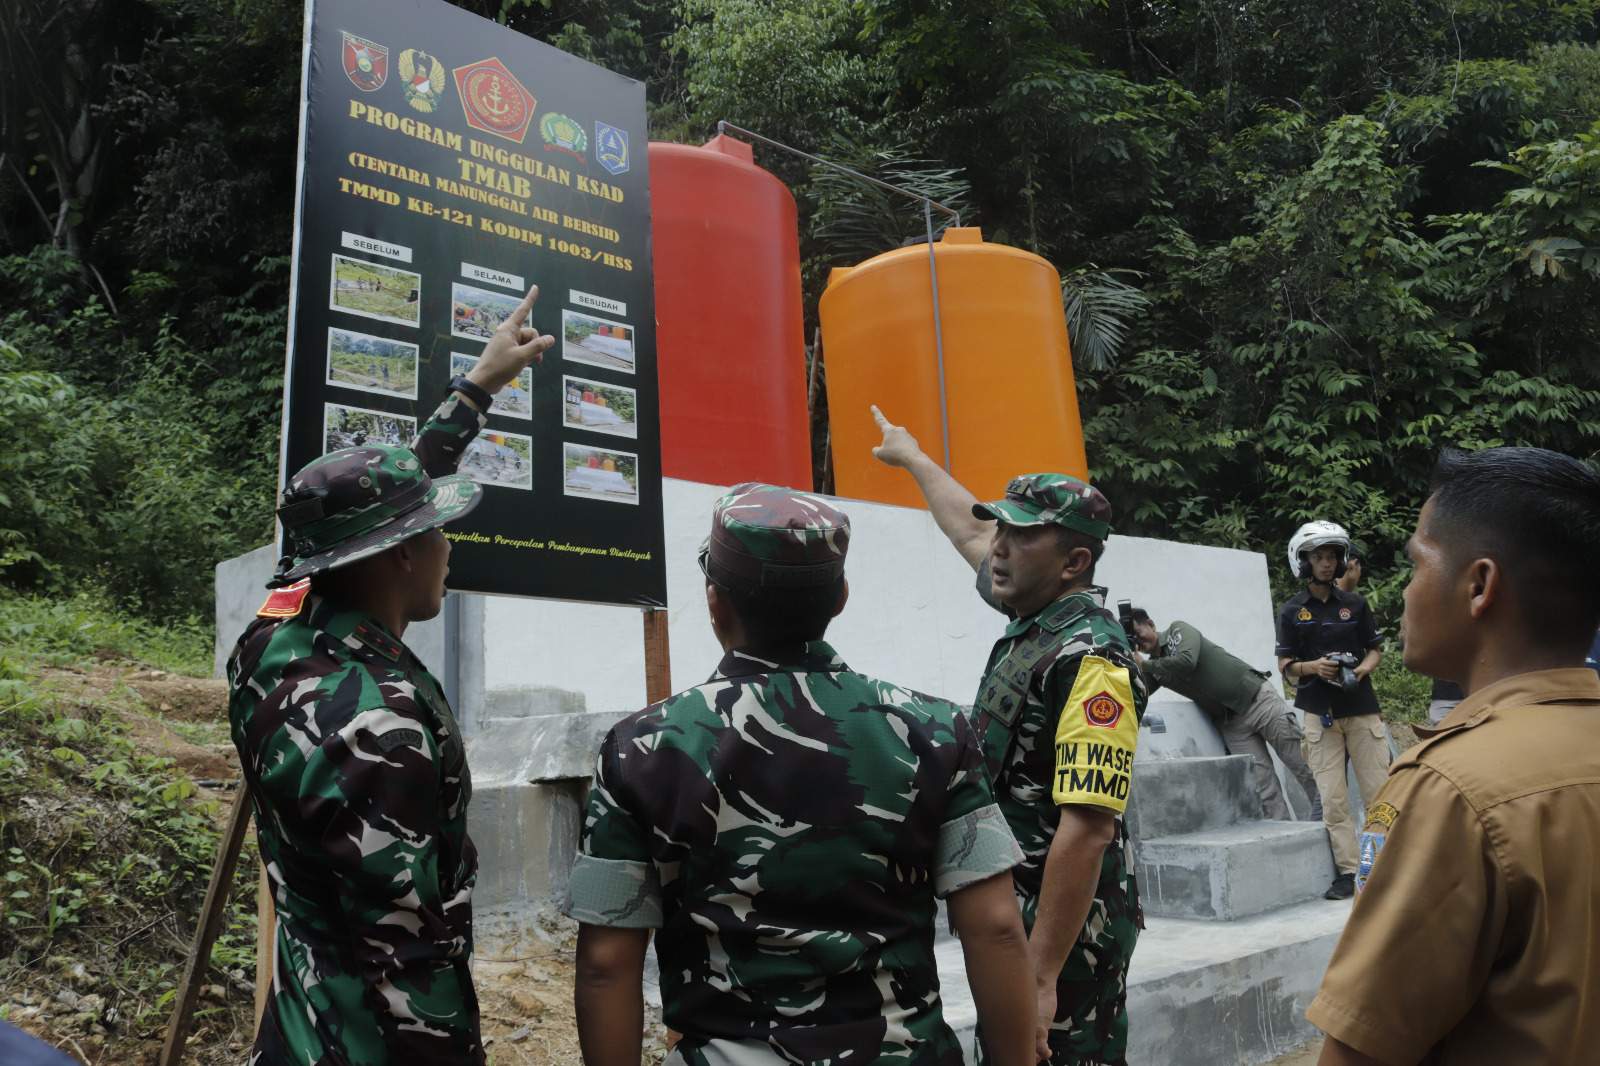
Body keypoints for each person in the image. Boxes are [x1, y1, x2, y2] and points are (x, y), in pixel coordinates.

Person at [564, 484, 1042, 1066]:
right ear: (840, 597)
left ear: (715, 602)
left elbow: (605, 964)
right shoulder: (935, 732)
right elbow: (994, 928)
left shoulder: (643, 748)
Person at [227, 286, 553, 1065]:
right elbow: (406, 961)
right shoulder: (384, 730)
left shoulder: (266, 646)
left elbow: (359, 512)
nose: (451, 547)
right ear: (404, 552)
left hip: (298, 1020)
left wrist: (478, 388)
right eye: (438, 530)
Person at [870, 406, 1146, 1066]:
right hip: (1017, 915)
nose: (998, 545)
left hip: (1067, 936)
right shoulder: (1036, 609)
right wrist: (912, 457)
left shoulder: (1093, 662)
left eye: (1020, 537)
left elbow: (1088, 828)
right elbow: (971, 531)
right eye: (1002, 528)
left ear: (1074, 561)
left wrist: (1043, 976)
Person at [1308, 446, 1600, 1065]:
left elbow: (1363, 1050)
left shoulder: (1451, 789)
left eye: (1417, 565)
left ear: (1479, 585)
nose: (1406, 591)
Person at [1275, 521, 1389, 900]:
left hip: (1361, 708)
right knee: (1334, 800)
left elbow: (1375, 649)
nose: (1327, 564)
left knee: (1379, 793)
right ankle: (1349, 871)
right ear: (1303, 562)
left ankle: (1382, 869)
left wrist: (1362, 669)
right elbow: (1286, 665)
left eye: (1332, 557)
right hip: (1318, 713)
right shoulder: (1292, 611)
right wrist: (1314, 668)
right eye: (1319, 557)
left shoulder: (1355, 605)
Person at [1129, 609, 1321, 821]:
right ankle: (1287, 841)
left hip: (1258, 700)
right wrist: (1128, 664)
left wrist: (1144, 664)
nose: (1138, 641)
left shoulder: (1177, 630)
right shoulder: (1154, 668)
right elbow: (1137, 694)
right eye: (1133, 639)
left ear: (1150, 623)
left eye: (1139, 633)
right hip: (1232, 725)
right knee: (1263, 789)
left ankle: (1333, 824)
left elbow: (1187, 661)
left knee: (1302, 766)